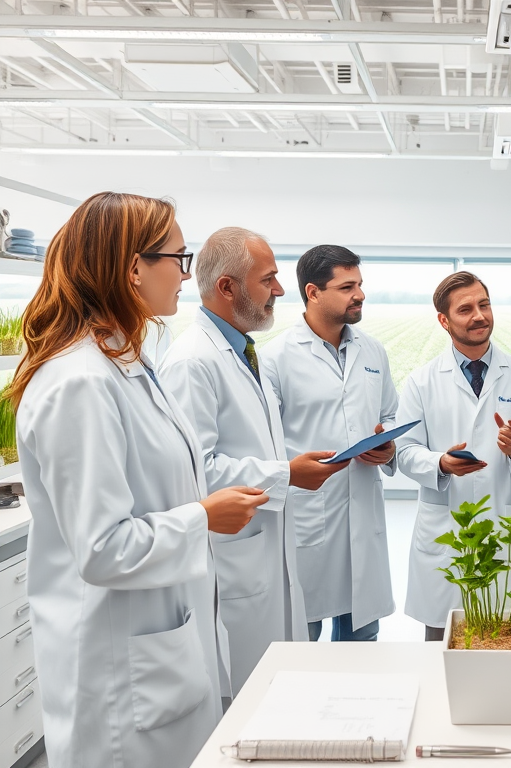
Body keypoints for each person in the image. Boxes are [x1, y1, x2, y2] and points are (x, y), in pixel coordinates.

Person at [8, 193, 266, 768]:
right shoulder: (80, 382)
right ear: (131, 269)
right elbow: (102, 549)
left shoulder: (127, 364)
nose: (185, 272)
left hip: (160, 651)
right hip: (120, 678)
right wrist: (204, 516)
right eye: (177, 257)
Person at [160, 227, 346, 693]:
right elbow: (193, 468)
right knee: (240, 698)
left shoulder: (242, 350)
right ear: (227, 287)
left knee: (274, 689)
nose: (280, 290)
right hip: (231, 558)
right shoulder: (193, 360)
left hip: (263, 547)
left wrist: (291, 464)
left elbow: (249, 444)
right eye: (269, 280)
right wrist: (286, 474)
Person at [396, 271, 511, 640]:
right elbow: (405, 452)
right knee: (440, 639)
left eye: (483, 305)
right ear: (444, 320)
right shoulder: (421, 381)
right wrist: (440, 463)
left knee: (505, 635)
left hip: (505, 524)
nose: (479, 316)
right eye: (466, 309)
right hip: (445, 524)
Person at [262, 245, 398, 642]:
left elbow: (388, 414)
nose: (360, 295)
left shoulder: (372, 351)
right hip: (309, 515)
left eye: (360, 284)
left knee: (362, 636)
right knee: (303, 636)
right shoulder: (276, 358)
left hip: (362, 505)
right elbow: (267, 439)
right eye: (347, 286)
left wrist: (386, 448)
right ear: (313, 292)